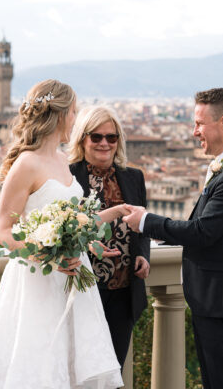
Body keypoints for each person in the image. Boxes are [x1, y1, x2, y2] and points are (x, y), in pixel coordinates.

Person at [0, 79, 124, 389]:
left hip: (73, 276)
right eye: (74, 112)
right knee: (39, 364)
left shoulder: (61, 160)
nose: (75, 119)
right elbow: (2, 230)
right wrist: (48, 258)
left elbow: (72, 219)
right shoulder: (26, 164)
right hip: (38, 280)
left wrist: (96, 236)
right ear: (62, 114)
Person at [123, 87, 223, 389]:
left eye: (199, 123)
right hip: (216, 300)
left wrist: (146, 221)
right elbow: (204, 227)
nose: (194, 131)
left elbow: (202, 232)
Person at [67, 106, 150, 369]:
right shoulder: (69, 176)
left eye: (111, 137)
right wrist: (87, 243)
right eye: (96, 137)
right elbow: (64, 228)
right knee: (82, 371)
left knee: (114, 369)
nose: (104, 143)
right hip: (84, 288)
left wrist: (143, 255)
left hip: (124, 290)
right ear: (82, 139)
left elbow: (142, 225)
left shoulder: (133, 177)